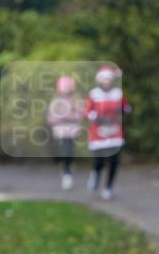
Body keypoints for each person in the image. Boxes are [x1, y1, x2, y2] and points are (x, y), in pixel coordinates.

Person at [85, 65, 131, 200]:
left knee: (114, 161)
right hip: (98, 133)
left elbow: (126, 107)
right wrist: (96, 118)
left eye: (109, 79)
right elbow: (87, 111)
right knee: (99, 161)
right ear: (100, 80)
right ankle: (95, 175)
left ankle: (108, 187)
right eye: (104, 79)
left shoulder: (118, 93)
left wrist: (124, 110)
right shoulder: (94, 94)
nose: (107, 82)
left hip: (115, 133)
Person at [47, 75, 85, 190]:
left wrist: (67, 116)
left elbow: (80, 115)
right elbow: (51, 118)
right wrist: (61, 118)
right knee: (63, 152)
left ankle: (67, 172)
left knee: (69, 151)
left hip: (71, 131)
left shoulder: (76, 99)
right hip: (60, 131)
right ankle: (65, 171)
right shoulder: (55, 100)